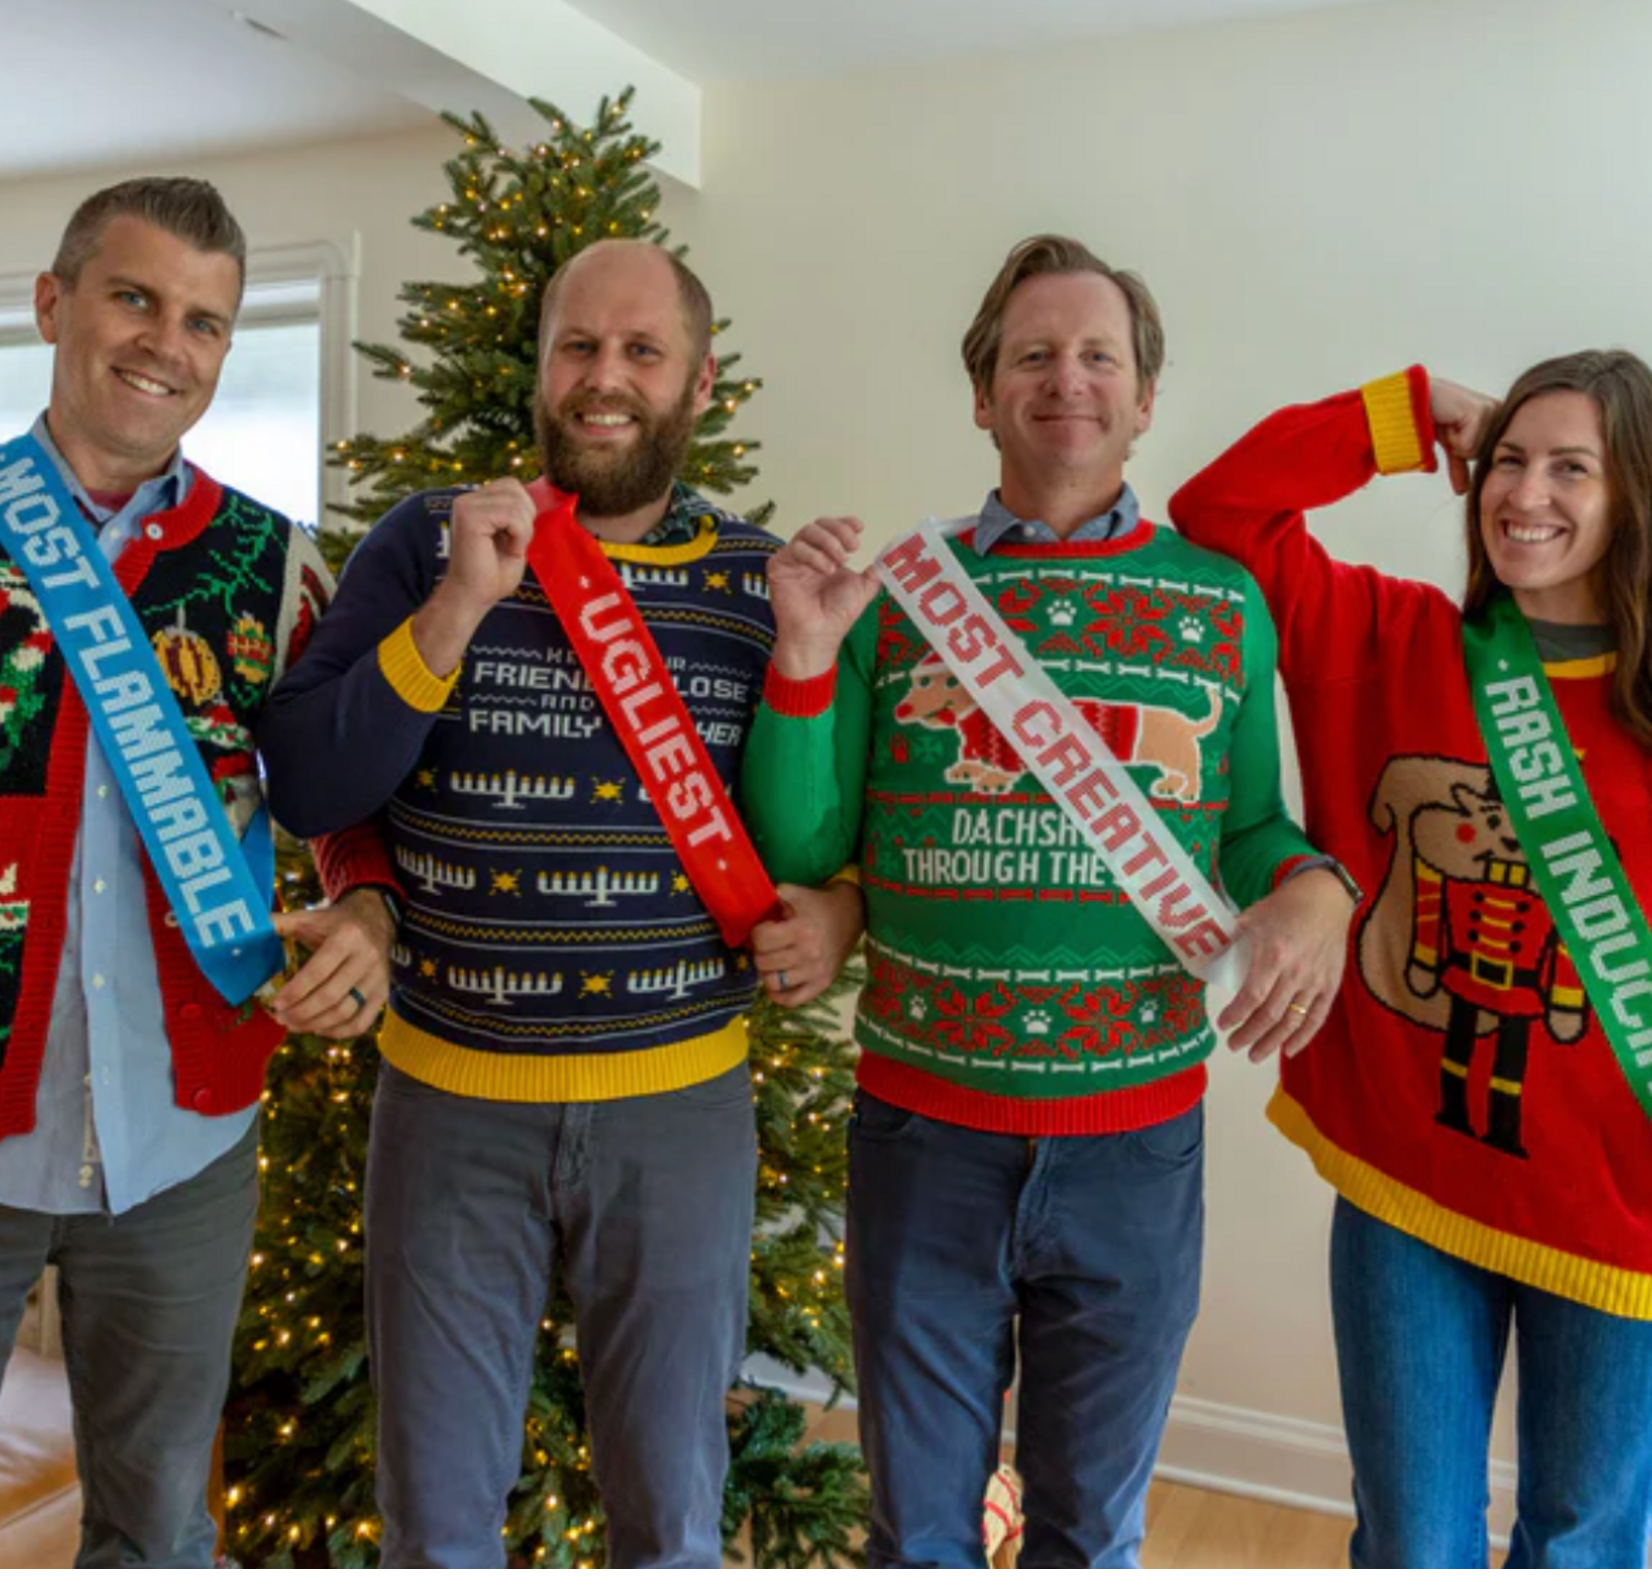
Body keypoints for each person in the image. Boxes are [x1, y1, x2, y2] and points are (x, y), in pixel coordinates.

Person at [739, 234, 1359, 1570]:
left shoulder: (1219, 601)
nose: (1066, 380)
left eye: (1099, 357)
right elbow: (808, 842)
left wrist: (1317, 892)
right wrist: (803, 655)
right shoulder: (899, 594)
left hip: (1135, 1149)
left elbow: (1244, 827)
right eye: (1033, 355)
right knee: (919, 1533)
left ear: (1144, 399)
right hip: (923, 1137)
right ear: (982, 393)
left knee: (1091, 1532)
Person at [259, 239, 866, 1570]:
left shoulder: (762, 582)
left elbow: (812, 839)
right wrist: (459, 608)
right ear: (539, 371)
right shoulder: (428, 541)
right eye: (577, 348)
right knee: (438, 1527)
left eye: (641, 352)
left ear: (699, 383)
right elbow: (309, 781)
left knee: (670, 1523)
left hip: (681, 1112)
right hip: (448, 1108)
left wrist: (836, 912)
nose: (605, 380)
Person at [1170, 354, 1652, 1569]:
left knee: (1582, 1541)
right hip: (1412, 1188)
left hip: (1619, 1213)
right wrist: (1406, 412)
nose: (1522, 492)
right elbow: (1219, 514)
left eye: (1569, 467)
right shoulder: (1387, 637)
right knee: (1409, 1543)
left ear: (1631, 496)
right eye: (1506, 459)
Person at [0, 177, 400, 1570]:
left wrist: (364, 903)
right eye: (135, 297)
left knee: (161, 1527)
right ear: (53, 305)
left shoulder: (274, 563)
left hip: (186, 1131)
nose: (168, 342)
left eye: (207, 322)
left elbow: (336, 791)